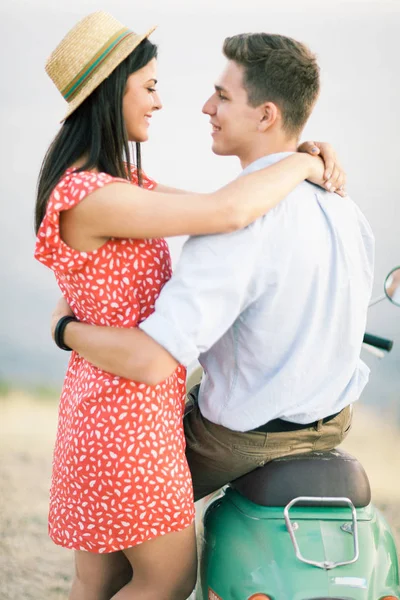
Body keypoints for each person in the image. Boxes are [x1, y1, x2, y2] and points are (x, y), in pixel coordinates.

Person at [35, 12, 343, 600]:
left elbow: (220, 202)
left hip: (101, 407)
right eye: (147, 86)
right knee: (166, 581)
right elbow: (226, 214)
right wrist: (301, 163)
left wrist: (286, 161)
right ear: (108, 93)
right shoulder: (97, 195)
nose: (159, 101)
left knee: (97, 580)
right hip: (128, 421)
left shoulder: (107, 183)